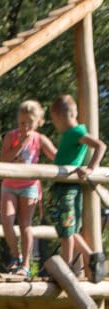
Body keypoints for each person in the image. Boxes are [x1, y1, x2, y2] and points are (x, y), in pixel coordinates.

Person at [48, 94, 107, 281]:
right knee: (68, 229)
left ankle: (66, 270)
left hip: (68, 188)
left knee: (66, 230)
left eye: (53, 119)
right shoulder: (72, 134)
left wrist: (91, 168)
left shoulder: (75, 132)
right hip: (63, 187)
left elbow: (100, 146)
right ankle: (91, 257)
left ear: (57, 115)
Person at [0, 100, 57, 276]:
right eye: (21, 122)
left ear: (37, 121)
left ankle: (25, 265)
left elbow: (56, 156)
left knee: (25, 225)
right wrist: (21, 144)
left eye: (29, 123)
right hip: (9, 184)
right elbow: (3, 160)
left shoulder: (40, 139)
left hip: (30, 186)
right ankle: (15, 258)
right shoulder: (11, 136)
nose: (25, 126)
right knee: (7, 221)